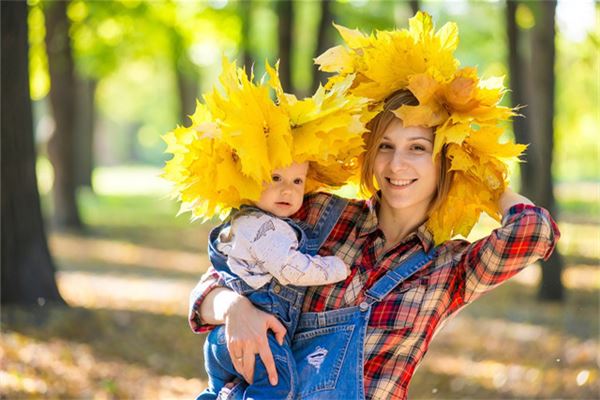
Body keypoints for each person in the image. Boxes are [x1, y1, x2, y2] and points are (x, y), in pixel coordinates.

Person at [188, 12, 560, 399]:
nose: (397, 165)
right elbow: (218, 278)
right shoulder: (317, 216)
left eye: (418, 148)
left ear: (445, 158)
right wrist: (233, 308)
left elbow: (533, 233)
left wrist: (480, 174)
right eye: (386, 146)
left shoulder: (450, 271)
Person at [163, 59, 369, 399]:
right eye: (274, 178)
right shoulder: (261, 228)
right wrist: (335, 267)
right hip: (251, 333)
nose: (288, 190)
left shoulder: (249, 221)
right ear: (249, 176)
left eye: (297, 181)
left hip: (224, 342)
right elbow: (292, 268)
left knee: (217, 391)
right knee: (278, 386)